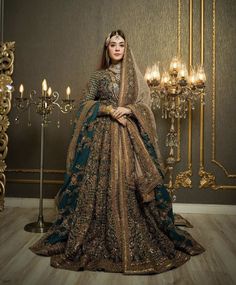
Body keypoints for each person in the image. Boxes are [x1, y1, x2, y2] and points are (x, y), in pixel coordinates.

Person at [30, 29, 205, 274]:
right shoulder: (98, 77)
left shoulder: (135, 77)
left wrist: (131, 110)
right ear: (107, 48)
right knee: (99, 185)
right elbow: (83, 105)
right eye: (113, 45)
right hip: (102, 137)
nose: (117, 49)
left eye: (121, 45)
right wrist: (110, 110)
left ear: (126, 48)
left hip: (129, 134)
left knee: (130, 182)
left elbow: (145, 104)